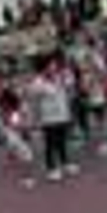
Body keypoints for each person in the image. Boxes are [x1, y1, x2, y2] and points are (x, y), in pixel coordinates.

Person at [26, 52, 78, 182]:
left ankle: (66, 164)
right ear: (44, 67)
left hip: (62, 114)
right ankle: (52, 169)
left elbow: (70, 86)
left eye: (54, 64)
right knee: (51, 144)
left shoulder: (59, 77)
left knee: (62, 141)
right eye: (51, 64)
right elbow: (34, 102)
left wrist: (66, 76)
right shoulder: (37, 83)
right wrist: (34, 120)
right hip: (48, 118)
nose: (54, 67)